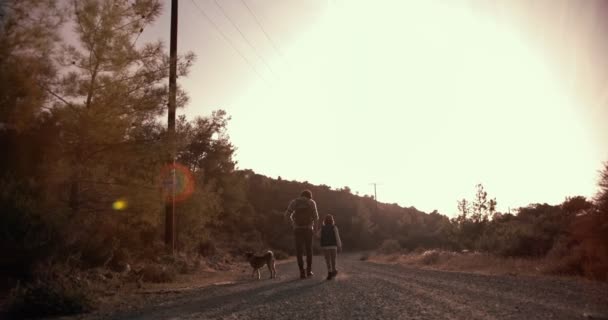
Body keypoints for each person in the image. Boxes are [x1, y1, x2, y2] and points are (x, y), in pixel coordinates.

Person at [285, 190, 319, 279]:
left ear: (301, 195)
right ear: (309, 196)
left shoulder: (294, 202)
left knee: (299, 251)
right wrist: (315, 230)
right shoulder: (311, 202)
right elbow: (316, 217)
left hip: (298, 229)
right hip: (308, 229)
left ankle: (302, 272)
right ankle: (309, 271)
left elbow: (287, 215)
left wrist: (293, 224)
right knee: (309, 251)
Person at [320, 214, 342, 280]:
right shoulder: (334, 227)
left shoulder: (322, 228)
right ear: (332, 220)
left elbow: (318, 235)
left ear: (325, 221)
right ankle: (334, 270)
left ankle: (329, 272)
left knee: (327, 260)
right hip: (333, 246)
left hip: (325, 246)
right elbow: (337, 237)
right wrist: (339, 246)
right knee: (333, 260)